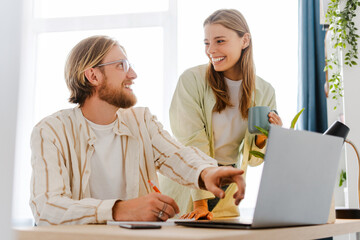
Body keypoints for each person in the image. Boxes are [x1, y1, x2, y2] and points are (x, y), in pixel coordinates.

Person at [29, 35, 246, 226]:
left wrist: (207, 172)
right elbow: (46, 208)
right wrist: (119, 210)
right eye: (121, 65)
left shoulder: (141, 120)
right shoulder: (51, 131)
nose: (133, 74)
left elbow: (177, 156)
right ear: (93, 76)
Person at [159, 9, 282, 220]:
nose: (211, 50)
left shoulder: (264, 91)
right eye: (207, 43)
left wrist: (269, 135)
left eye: (220, 41)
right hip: (191, 185)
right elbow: (192, 143)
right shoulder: (191, 81)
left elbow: (252, 160)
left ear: (245, 41)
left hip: (228, 189)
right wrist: (200, 203)